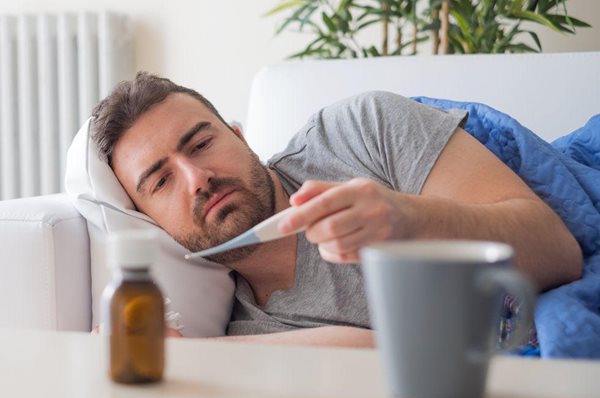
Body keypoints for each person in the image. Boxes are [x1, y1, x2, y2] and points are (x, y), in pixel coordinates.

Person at [90, 72, 582, 347]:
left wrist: (410, 220)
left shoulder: (358, 133)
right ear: (147, 222)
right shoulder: (249, 330)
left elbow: (558, 250)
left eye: (200, 144)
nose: (198, 179)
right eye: (161, 180)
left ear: (240, 138)